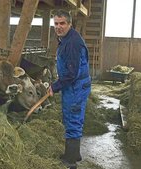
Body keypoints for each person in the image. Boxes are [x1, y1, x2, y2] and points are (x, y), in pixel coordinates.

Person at [48, 10, 91, 169]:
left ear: (69, 24)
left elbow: (71, 73)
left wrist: (55, 86)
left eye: (62, 23)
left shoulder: (72, 43)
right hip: (74, 85)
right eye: (56, 24)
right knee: (71, 117)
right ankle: (73, 153)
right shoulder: (66, 38)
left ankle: (71, 162)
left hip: (75, 86)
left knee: (73, 120)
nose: (58, 27)